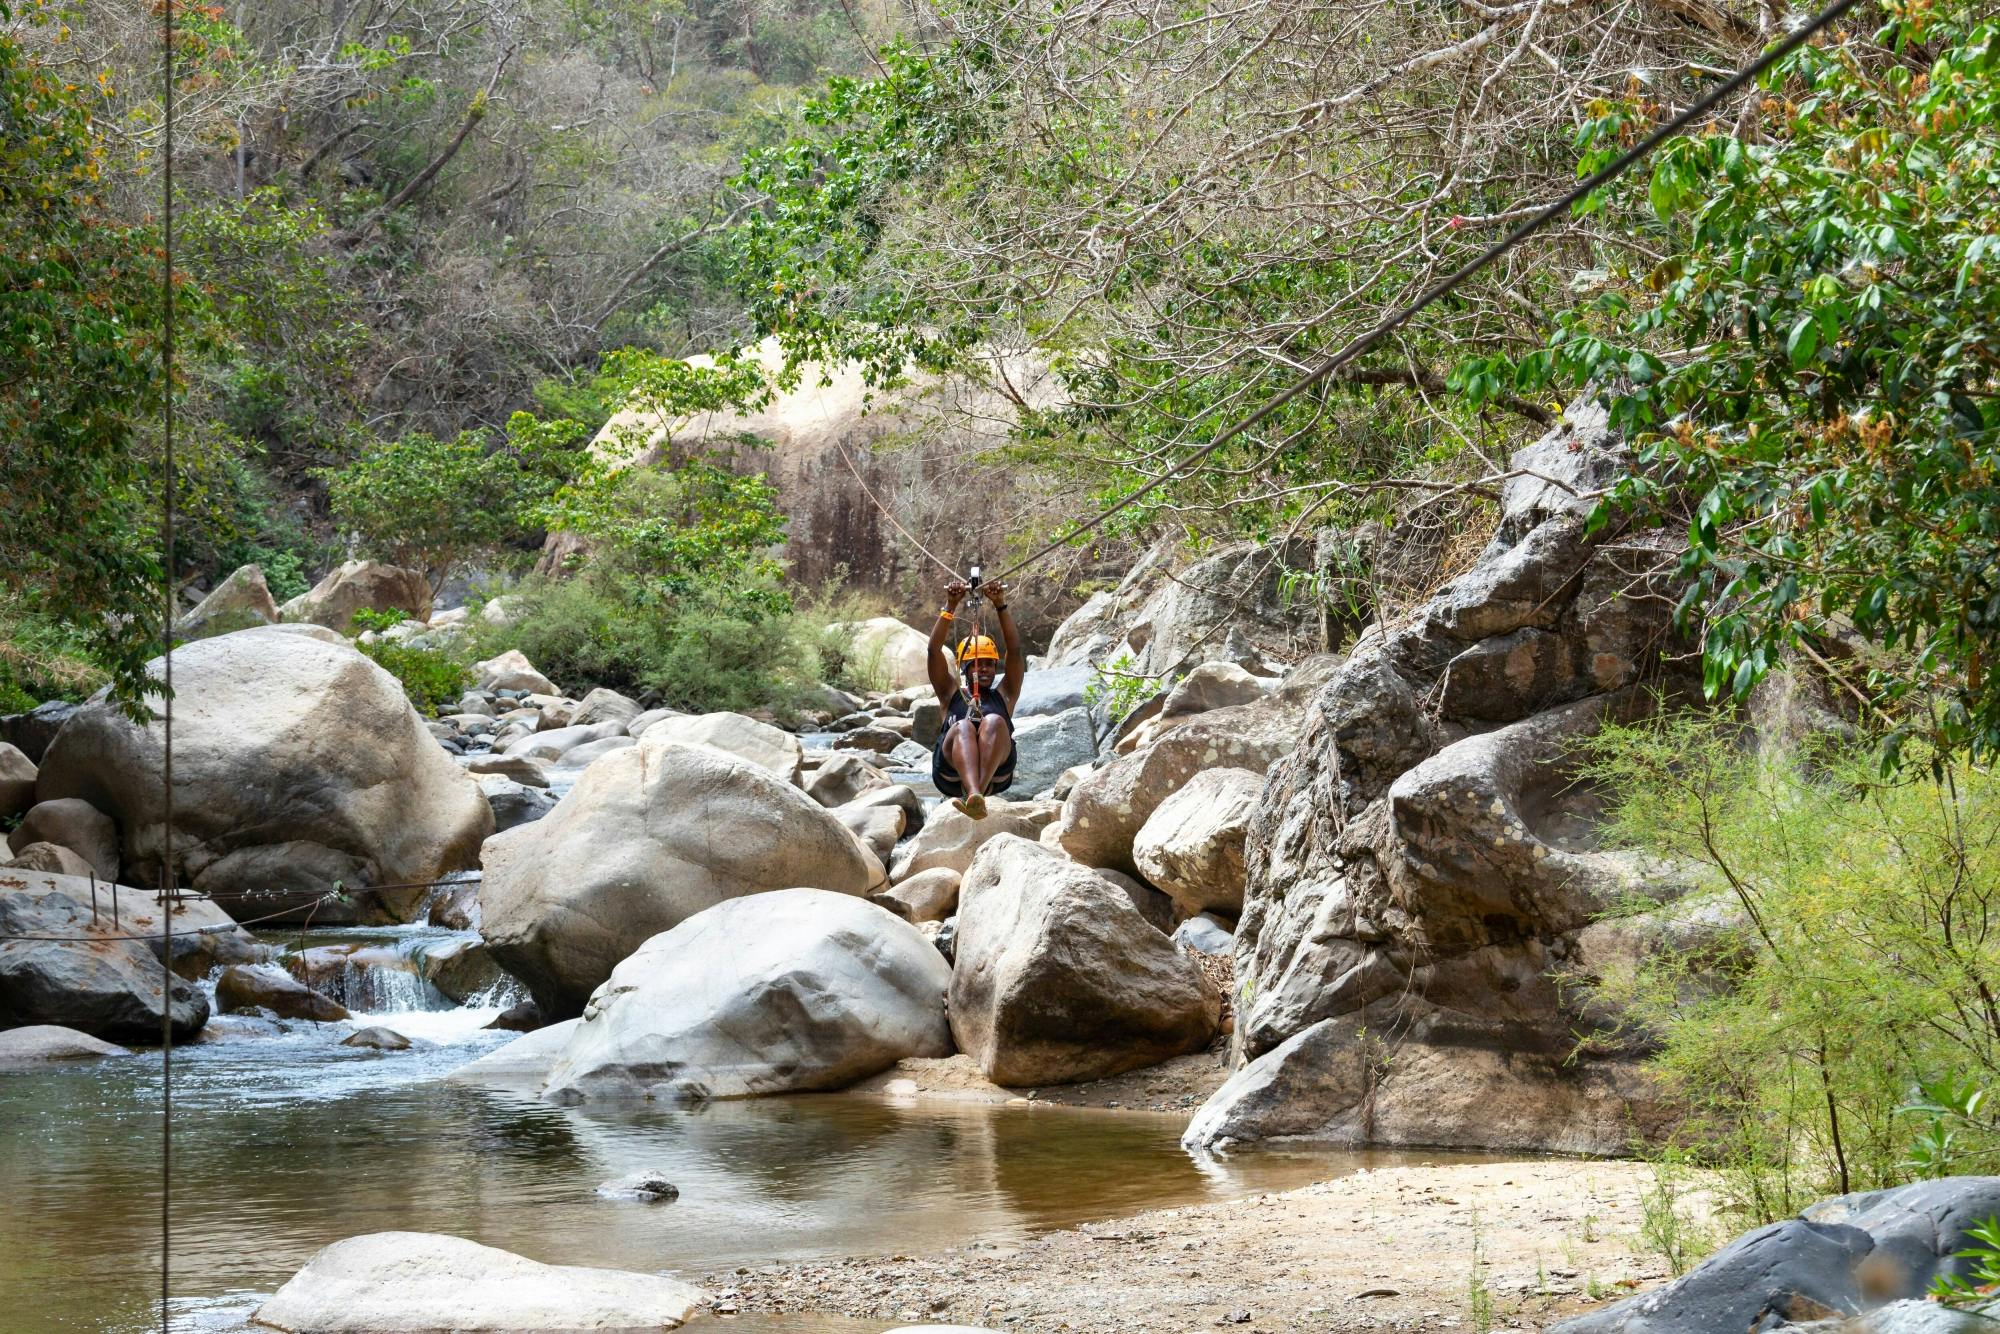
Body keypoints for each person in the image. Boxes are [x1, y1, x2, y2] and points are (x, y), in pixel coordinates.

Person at [927, 577, 1025, 819]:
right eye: (977, 665)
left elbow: (1014, 651)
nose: (984, 670)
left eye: (990, 665)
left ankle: (974, 796)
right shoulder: (951, 693)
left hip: (997, 776)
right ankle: (974, 794)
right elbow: (933, 651)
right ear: (965, 668)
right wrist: (950, 606)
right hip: (950, 774)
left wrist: (1000, 605)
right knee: (962, 727)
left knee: (994, 721)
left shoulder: (1005, 694)